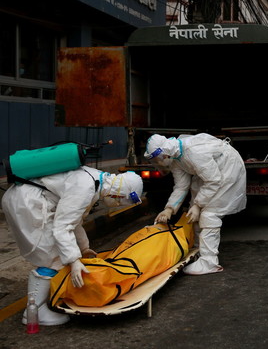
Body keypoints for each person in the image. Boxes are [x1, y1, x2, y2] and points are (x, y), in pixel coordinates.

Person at [1, 169, 143, 325]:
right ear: (121, 192)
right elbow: (63, 227)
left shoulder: (95, 181)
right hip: (27, 203)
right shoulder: (86, 188)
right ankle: (35, 312)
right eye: (120, 200)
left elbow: (74, 221)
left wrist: (83, 248)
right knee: (52, 258)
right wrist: (74, 260)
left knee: (56, 254)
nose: (117, 203)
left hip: (25, 198)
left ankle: (39, 306)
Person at [144, 133, 246, 275]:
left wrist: (199, 205)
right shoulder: (175, 157)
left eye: (157, 159)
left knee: (210, 213)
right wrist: (169, 209)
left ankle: (209, 262)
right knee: (193, 210)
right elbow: (181, 186)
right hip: (211, 172)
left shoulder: (194, 152)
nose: (158, 163)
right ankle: (198, 250)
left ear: (164, 153)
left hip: (228, 168)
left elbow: (214, 180)